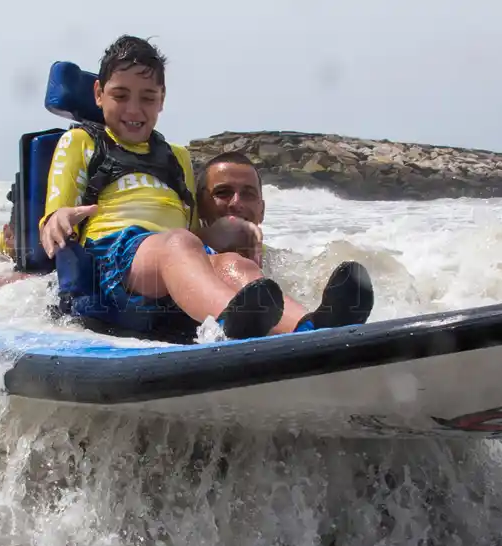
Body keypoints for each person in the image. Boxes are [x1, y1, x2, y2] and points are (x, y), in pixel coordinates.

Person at [40, 35, 373, 340]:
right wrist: (58, 219)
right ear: (99, 94)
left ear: (162, 100)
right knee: (178, 244)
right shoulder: (81, 142)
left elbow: (193, 234)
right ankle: (231, 322)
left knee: (233, 264)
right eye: (120, 95)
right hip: (111, 263)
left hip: (172, 265)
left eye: (148, 97)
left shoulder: (177, 157)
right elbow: (52, 218)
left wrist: (229, 232)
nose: (134, 109)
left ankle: (311, 326)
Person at [196, 151, 371, 334]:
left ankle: (323, 324)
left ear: (262, 210)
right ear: (200, 206)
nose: (236, 203)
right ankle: (308, 329)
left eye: (248, 194)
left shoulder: (277, 260)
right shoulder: (188, 256)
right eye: (223, 193)